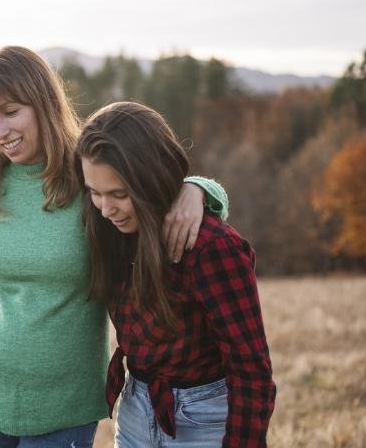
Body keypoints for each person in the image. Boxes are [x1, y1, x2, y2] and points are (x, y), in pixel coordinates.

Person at [0, 46, 229, 447]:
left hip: (63, 404)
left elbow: (152, 187)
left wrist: (198, 189)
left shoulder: (89, 176)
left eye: (10, 112)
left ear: (43, 103)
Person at [76, 101, 276, 447]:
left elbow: (251, 371)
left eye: (119, 195)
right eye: (95, 193)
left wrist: (197, 188)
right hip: (136, 406)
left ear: (149, 179)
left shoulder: (212, 247)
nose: (106, 209)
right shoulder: (109, 229)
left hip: (204, 419)